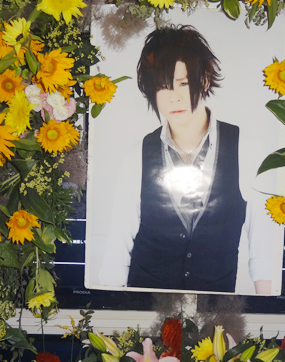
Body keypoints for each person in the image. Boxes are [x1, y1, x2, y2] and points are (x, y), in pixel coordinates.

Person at [98, 25, 274, 294]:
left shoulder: (247, 150)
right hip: (145, 308)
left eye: (183, 83)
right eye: (163, 87)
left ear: (204, 80)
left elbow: (263, 252)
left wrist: (268, 311)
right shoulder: (137, 156)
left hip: (216, 311)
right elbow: (116, 254)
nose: (175, 98)